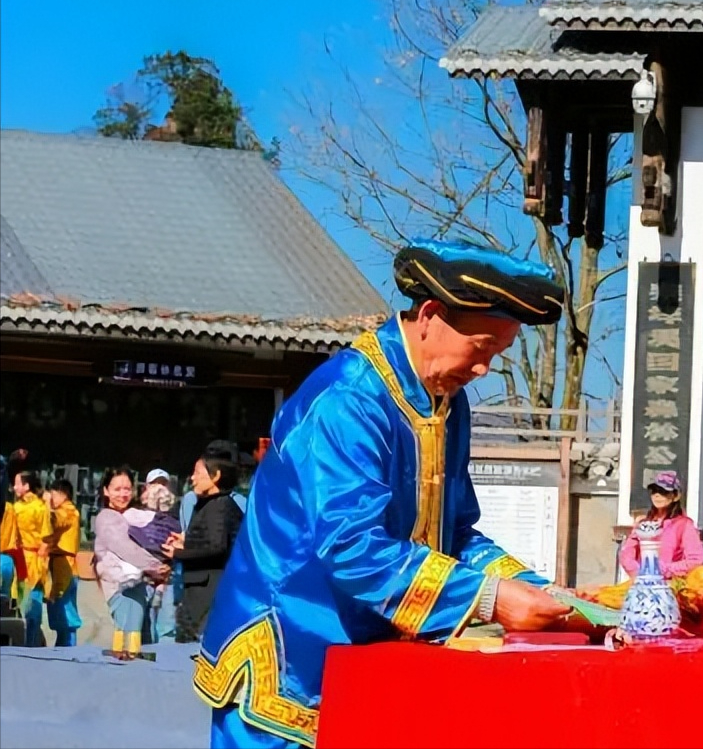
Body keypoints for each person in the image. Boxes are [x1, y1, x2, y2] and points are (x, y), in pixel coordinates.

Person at [196, 241, 576, 749]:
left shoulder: (446, 401)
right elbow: (352, 547)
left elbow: (454, 533)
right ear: (431, 315)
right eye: (481, 346)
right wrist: (489, 599)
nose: (483, 368)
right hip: (292, 649)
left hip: (370, 658)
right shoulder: (350, 397)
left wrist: (538, 590)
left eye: (497, 354)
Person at [164, 442, 245, 643]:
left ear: (215, 475)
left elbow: (217, 547)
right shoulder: (212, 504)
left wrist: (178, 554)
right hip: (199, 587)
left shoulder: (220, 505)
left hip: (208, 591)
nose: (192, 478)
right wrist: (187, 541)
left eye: (197, 473)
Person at [92, 466, 170, 660]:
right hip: (121, 588)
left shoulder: (135, 514)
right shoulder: (106, 517)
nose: (123, 494)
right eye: (117, 489)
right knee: (130, 645)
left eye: (127, 489)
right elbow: (124, 547)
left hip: (144, 585)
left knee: (145, 643)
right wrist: (156, 567)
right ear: (106, 491)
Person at [618, 471, 703, 579]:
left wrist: (662, 570)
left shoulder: (684, 525)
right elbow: (627, 553)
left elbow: (695, 560)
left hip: (672, 586)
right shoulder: (643, 523)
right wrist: (639, 571)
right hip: (642, 584)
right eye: (654, 491)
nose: (657, 495)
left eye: (663, 491)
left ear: (675, 496)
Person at [12, 471, 52, 647]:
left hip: (33, 559)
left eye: (17, 484)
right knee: (21, 605)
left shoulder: (39, 508)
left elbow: (46, 538)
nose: (14, 487)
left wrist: (42, 559)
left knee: (33, 606)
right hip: (19, 558)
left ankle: (32, 644)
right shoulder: (16, 507)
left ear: (27, 486)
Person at [141, 470, 182, 640]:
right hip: (143, 580)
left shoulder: (175, 518)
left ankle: (165, 664)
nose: (159, 489)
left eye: (163, 484)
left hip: (168, 580)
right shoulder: (138, 517)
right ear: (146, 487)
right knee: (144, 626)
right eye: (155, 484)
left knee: (166, 628)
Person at [42, 480, 82, 646]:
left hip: (65, 566)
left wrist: (45, 505)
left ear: (62, 494)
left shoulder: (68, 510)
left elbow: (56, 519)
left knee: (66, 614)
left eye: (53, 495)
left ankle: (68, 651)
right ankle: (64, 647)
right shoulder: (66, 510)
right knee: (60, 614)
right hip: (60, 564)